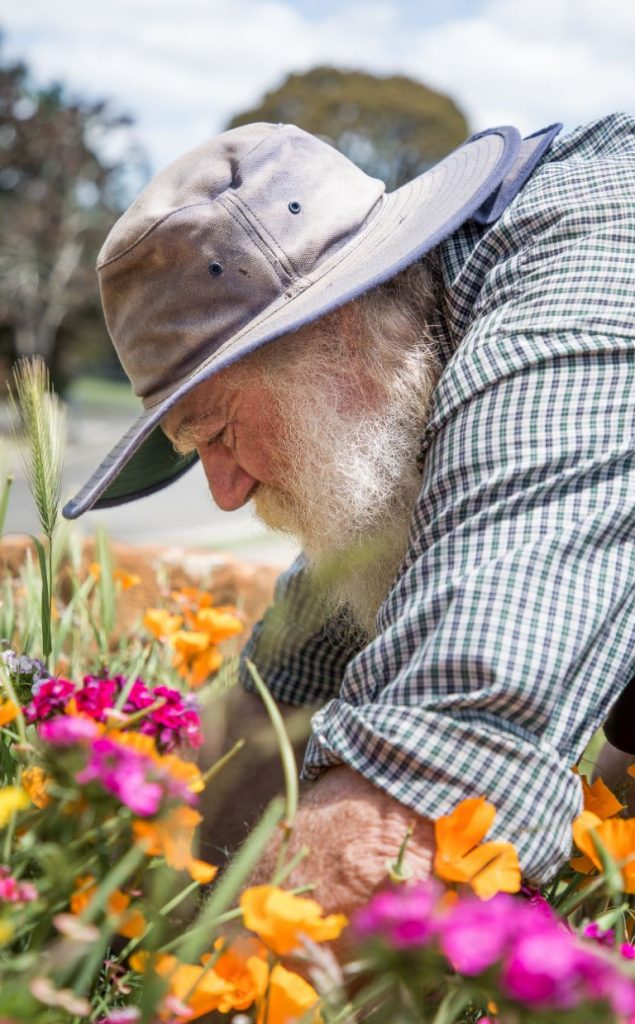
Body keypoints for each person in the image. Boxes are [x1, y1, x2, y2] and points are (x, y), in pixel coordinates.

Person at [64, 113, 635, 922]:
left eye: (217, 431)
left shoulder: (574, 308)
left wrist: (188, 991)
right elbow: (276, 705)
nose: (223, 493)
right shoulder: (406, 357)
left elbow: (425, 790)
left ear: (331, 327)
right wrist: (139, 906)